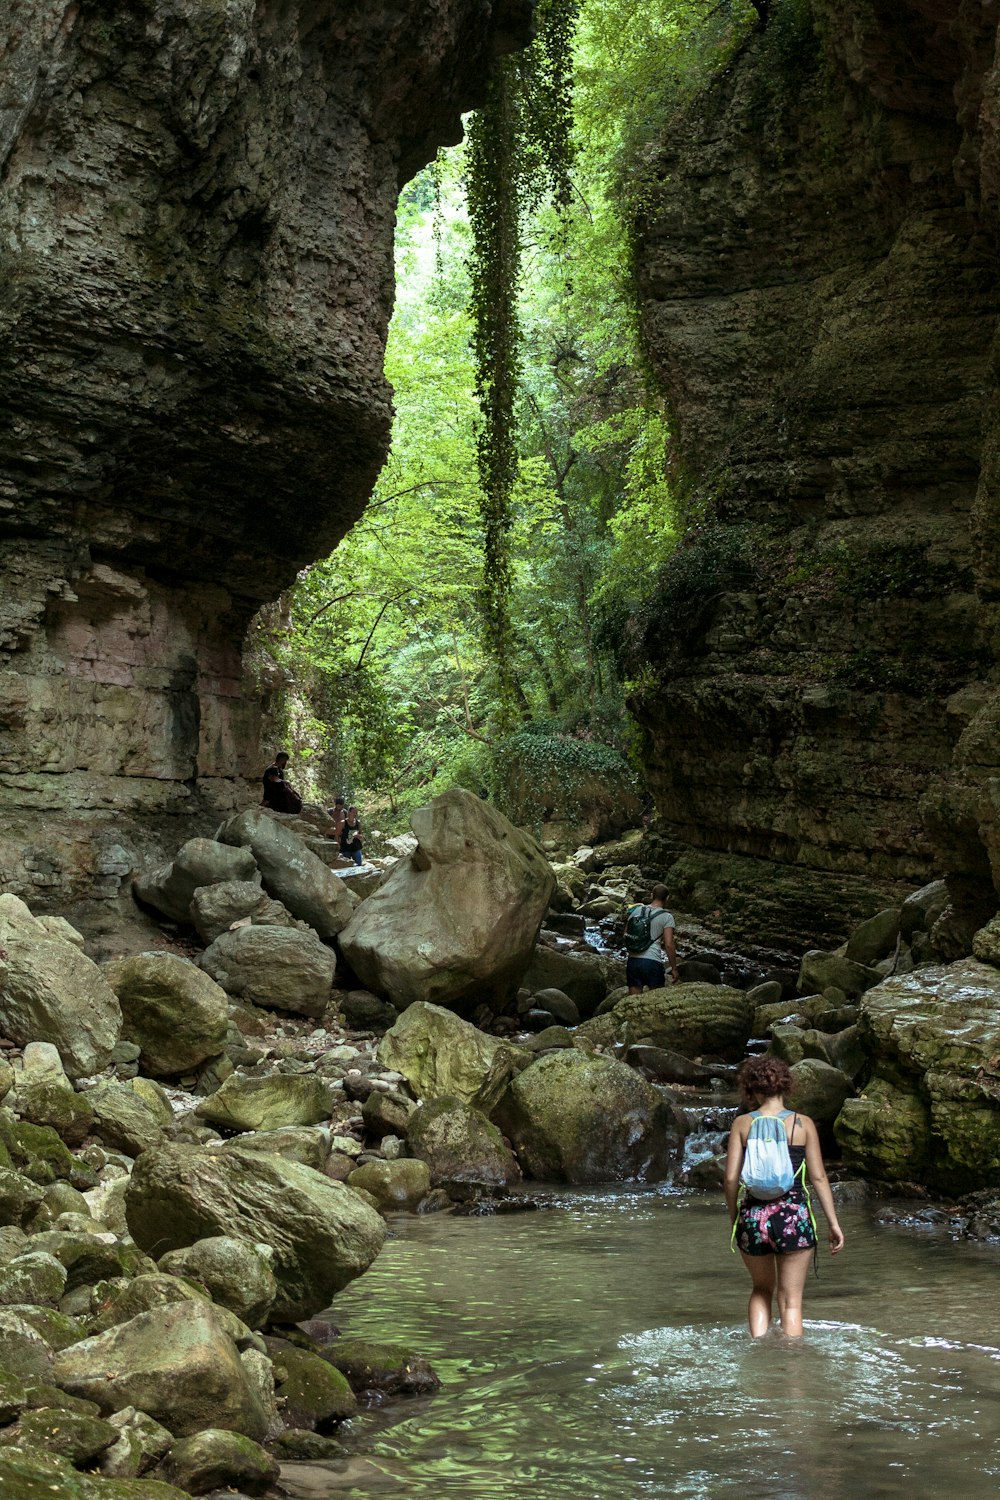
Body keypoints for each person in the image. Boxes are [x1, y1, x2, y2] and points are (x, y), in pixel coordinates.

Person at [725, 1055, 845, 1338]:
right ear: (785, 1086)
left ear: (751, 1089)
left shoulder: (742, 1124)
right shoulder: (803, 1124)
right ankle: (791, 1364)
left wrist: (735, 1218)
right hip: (794, 1217)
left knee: (761, 1289)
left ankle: (757, 1350)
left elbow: (730, 1178)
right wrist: (834, 1223)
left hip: (753, 1218)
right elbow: (818, 1177)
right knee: (791, 1302)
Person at [625, 883, 679, 993]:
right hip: (652, 962)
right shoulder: (667, 917)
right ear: (667, 898)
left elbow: (625, 934)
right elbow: (668, 944)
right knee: (655, 1002)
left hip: (633, 961)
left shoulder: (636, 910)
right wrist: (674, 968)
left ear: (651, 896)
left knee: (634, 1002)